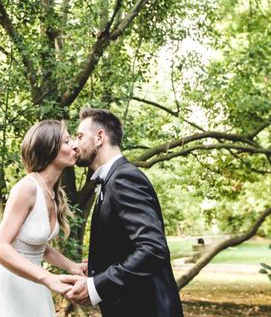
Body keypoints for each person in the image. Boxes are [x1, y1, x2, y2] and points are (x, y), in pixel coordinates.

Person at [0, 120, 85, 317]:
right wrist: (48, 278)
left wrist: (72, 266)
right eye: (67, 141)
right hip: (7, 287)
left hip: (34, 286)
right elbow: (0, 249)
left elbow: (36, 245)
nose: (74, 146)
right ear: (49, 148)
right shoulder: (27, 188)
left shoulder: (52, 193)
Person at [66, 107, 184, 317]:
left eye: (80, 136)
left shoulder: (123, 179)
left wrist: (96, 287)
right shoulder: (111, 179)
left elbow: (153, 249)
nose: (74, 145)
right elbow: (128, 244)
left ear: (100, 137)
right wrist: (98, 264)